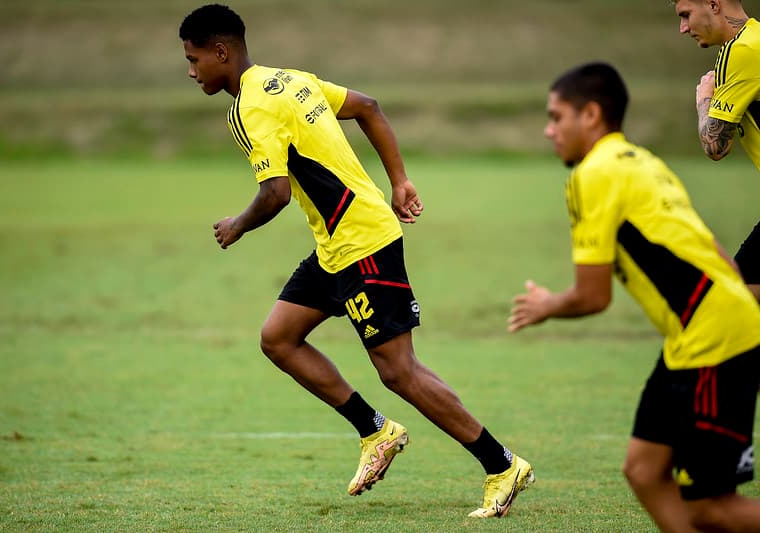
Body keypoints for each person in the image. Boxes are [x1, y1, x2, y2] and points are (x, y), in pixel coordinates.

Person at [178, 4, 533, 518]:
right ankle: (376, 431)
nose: (191, 72)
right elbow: (368, 106)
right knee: (278, 338)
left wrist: (237, 225)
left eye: (194, 60)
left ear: (221, 52)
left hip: (362, 243)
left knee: (400, 372)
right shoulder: (291, 79)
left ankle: (502, 465)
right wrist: (399, 181)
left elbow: (275, 193)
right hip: (336, 246)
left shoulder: (249, 108)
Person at [508, 62, 760, 532]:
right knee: (643, 471)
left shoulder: (592, 175)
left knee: (711, 507)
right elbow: (715, 251)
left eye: (556, 117)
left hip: (715, 339)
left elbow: (593, 297)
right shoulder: (644, 161)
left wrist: (547, 306)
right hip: (695, 337)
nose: (548, 130)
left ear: (590, 115)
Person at [674, 0, 760, 302]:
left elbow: (715, 145)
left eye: (686, 15)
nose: (683, 28)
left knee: (735, 302)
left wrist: (704, 100)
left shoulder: (742, 50)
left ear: (713, 4)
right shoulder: (754, 39)